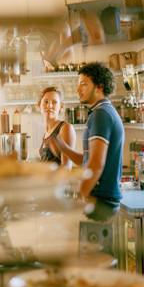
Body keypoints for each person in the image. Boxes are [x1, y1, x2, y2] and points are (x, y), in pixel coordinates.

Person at [47, 62, 124, 207]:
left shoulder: (101, 115)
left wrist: (79, 200)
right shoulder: (104, 112)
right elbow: (88, 161)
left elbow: (95, 165)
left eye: (83, 84)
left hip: (100, 199)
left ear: (99, 87)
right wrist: (63, 148)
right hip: (104, 198)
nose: (78, 89)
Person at [38, 86, 76, 170]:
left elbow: (66, 167)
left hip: (58, 182)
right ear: (39, 105)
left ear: (61, 107)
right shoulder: (46, 133)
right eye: (46, 101)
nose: (49, 106)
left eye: (54, 102)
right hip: (47, 182)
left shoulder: (65, 128)